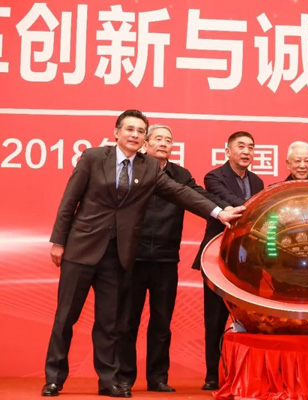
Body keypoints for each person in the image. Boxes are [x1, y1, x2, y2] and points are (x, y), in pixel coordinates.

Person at [42, 110, 242, 398]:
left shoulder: (148, 167)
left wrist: (218, 212)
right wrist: (58, 241)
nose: (134, 135)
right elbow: (69, 200)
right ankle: (54, 378)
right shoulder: (93, 157)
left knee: (109, 323)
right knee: (65, 318)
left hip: (118, 254)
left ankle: (108, 381)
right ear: (117, 132)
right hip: (81, 249)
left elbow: (181, 193)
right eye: (130, 129)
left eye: (139, 131)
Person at [118, 125, 235, 393]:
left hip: (166, 258)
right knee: (127, 321)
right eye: (158, 139)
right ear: (146, 144)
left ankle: (157, 378)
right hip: (133, 258)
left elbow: (199, 196)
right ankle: (124, 377)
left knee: (162, 323)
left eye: (168, 140)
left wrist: (224, 209)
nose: (163, 143)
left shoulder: (180, 175)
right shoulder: (131, 169)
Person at [191, 131, 265, 391]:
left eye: (250, 147)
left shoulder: (257, 181)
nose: (246, 151)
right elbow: (233, 203)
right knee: (214, 319)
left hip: (246, 260)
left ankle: (243, 373)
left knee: (247, 318)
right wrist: (256, 207)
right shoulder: (214, 177)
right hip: (217, 259)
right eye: (240, 146)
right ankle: (212, 374)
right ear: (228, 151)